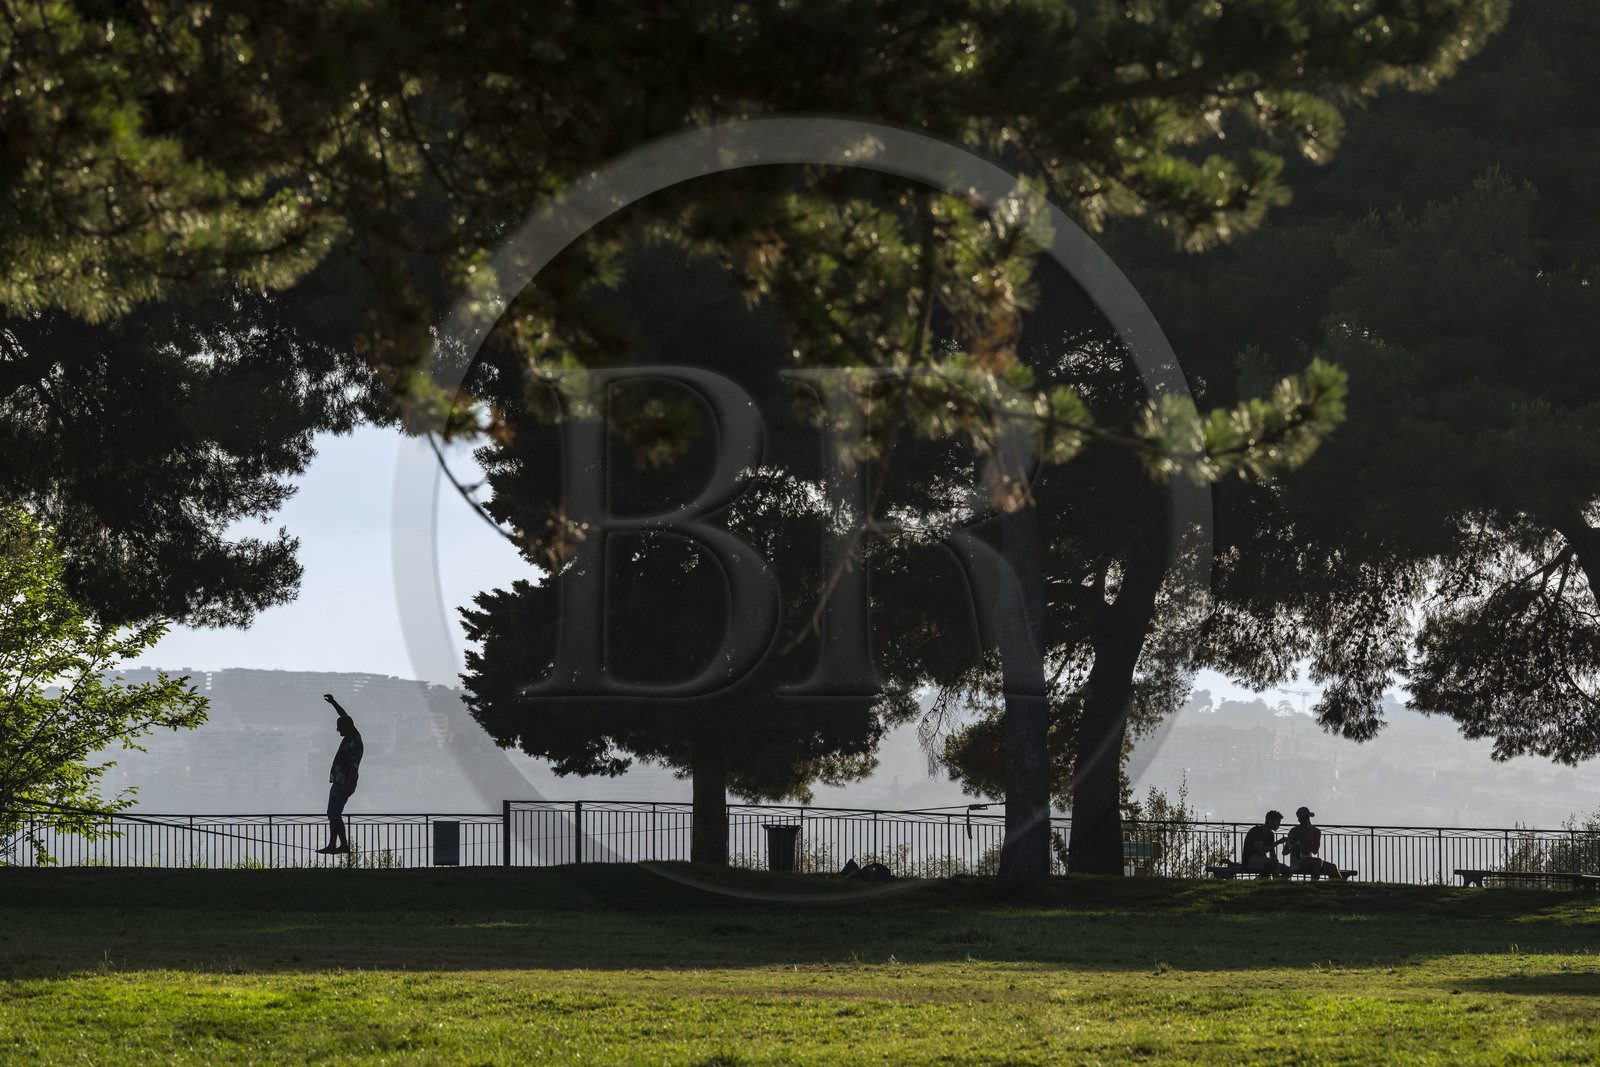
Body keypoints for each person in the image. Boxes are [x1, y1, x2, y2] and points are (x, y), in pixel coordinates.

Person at [317, 694, 364, 855]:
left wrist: (346, 786)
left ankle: (341, 845)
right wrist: (333, 703)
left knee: (334, 814)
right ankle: (334, 844)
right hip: (339, 782)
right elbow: (344, 716)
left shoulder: (354, 742)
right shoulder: (352, 735)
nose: (337, 729)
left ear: (347, 727)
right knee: (332, 815)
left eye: (339, 726)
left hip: (343, 783)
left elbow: (354, 767)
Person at [1283, 805, 1346, 880]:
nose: (1304, 820)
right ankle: (1314, 883)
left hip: (1309, 859)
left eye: (1306, 817)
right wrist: (1293, 848)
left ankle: (1341, 885)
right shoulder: (1294, 831)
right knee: (1317, 862)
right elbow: (1284, 852)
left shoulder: (1316, 831)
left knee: (1332, 867)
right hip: (1297, 861)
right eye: (1302, 818)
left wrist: (1305, 841)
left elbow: (1315, 851)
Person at [1240, 810, 1289, 878]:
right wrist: (1278, 842)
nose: (1279, 824)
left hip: (1262, 859)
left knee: (1289, 870)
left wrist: (1277, 863)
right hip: (1250, 860)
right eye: (1277, 821)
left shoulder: (1271, 835)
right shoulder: (1256, 831)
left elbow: (1272, 854)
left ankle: (1276, 883)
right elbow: (1262, 850)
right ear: (1269, 821)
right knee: (1274, 863)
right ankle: (1277, 885)